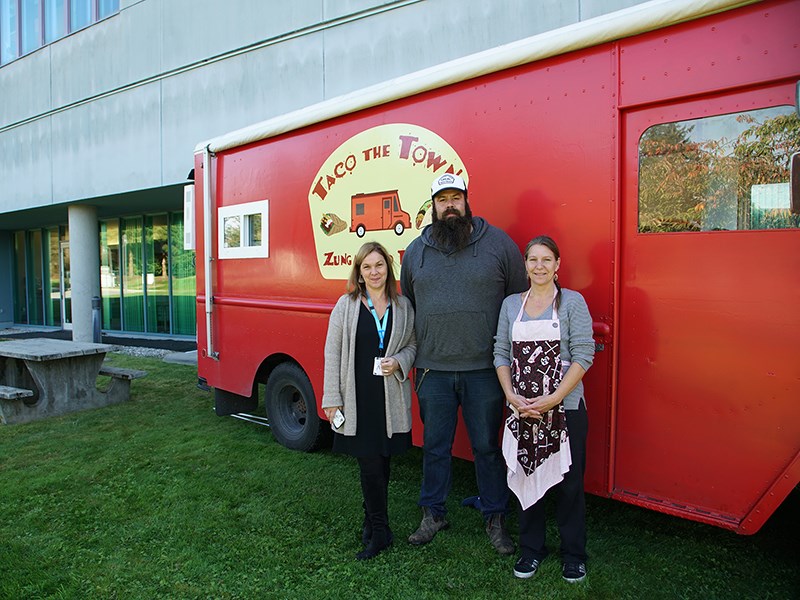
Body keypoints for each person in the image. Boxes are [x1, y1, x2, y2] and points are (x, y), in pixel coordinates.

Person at [400, 173, 528, 554]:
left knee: (487, 447)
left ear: (467, 201)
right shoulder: (415, 251)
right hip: (432, 370)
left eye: (456, 197)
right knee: (435, 446)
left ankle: (495, 518)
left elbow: (517, 301)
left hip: (485, 371)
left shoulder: (498, 244)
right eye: (442, 199)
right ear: (433, 206)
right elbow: (409, 300)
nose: (449, 205)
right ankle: (432, 513)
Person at [493, 235, 594, 582]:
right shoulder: (510, 306)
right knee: (526, 474)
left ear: (557, 265)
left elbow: (583, 354)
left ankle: (574, 554)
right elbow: (501, 355)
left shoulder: (572, 303)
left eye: (546, 260)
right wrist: (511, 396)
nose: (539, 266)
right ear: (525, 265)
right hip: (522, 410)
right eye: (533, 260)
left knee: (569, 483)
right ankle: (531, 549)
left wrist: (553, 399)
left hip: (565, 409)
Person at [322, 241, 417, 560]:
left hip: (389, 399)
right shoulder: (345, 305)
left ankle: (369, 521)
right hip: (356, 398)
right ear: (359, 274)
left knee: (382, 463)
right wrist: (332, 397)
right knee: (370, 467)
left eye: (379, 265)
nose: (374, 272)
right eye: (367, 267)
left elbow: (413, 346)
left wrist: (400, 361)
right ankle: (380, 532)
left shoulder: (402, 306)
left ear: (388, 268)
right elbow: (332, 352)